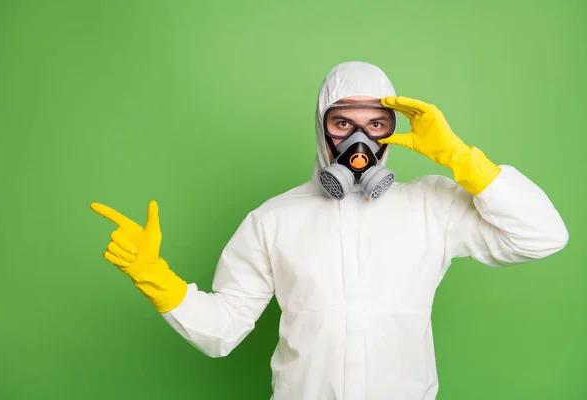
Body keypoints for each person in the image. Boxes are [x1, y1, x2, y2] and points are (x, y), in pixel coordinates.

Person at [91, 61, 569, 400]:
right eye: (343, 122)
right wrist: (156, 278)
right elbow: (223, 331)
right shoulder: (273, 219)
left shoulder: (432, 204)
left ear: (393, 130)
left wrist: (461, 159)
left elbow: (542, 236)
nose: (360, 140)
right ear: (322, 128)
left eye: (376, 124)